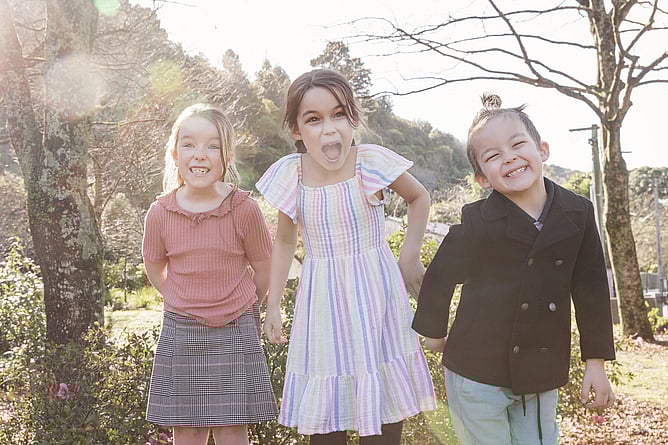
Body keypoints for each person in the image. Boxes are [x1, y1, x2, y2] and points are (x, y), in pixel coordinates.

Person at [413, 93, 616, 445]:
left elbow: (592, 291)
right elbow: (440, 275)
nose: (509, 157)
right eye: (493, 156)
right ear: (482, 179)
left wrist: (595, 362)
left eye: (517, 144)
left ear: (542, 150)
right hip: (474, 371)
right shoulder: (478, 222)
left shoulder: (578, 213)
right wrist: (433, 333)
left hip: (540, 370)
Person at [256, 69, 436, 445]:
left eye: (339, 114)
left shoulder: (368, 162)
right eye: (314, 119)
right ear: (296, 130)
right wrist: (273, 304)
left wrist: (410, 255)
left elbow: (419, 197)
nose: (329, 129)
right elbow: (285, 241)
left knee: (384, 412)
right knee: (327, 420)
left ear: (353, 118)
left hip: (377, 296)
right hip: (322, 302)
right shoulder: (292, 174)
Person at [142, 103, 278, 445]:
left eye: (212, 146)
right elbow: (154, 267)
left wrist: (242, 304)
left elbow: (264, 268)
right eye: (189, 144)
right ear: (175, 155)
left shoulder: (244, 209)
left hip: (236, 326)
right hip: (182, 327)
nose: (200, 154)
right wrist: (181, 299)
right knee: (188, 429)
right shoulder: (159, 213)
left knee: (232, 428)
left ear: (227, 157)